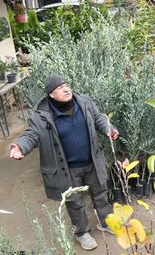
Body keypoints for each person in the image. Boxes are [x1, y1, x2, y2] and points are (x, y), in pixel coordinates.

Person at [9, 75, 120, 251]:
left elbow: (99, 118)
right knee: (74, 202)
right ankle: (82, 232)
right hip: (67, 169)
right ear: (51, 94)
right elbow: (31, 134)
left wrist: (109, 129)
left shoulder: (84, 101)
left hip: (91, 160)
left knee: (100, 192)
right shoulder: (42, 115)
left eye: (67, 85)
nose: (67, 89)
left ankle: (106, 222)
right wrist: (20, 147)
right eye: (61, 88)